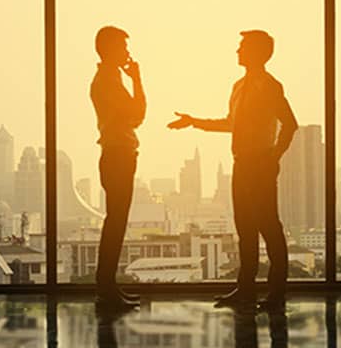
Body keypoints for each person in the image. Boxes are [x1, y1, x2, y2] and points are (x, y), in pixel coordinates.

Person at [168, 30, 297, 310]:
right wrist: (195, 122)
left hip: (260, 164)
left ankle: (276, 295)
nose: (237, 51)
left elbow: (290, 123)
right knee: (245, 229)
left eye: (242, 47)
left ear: (257, 52)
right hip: (241, 164)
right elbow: (230, 123)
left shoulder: (270, 86)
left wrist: (274, 157)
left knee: (269, 229)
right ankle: (246, 290)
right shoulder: (239, 86)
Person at [91, 26, 145, 308]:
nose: (127, 52)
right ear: (110, 50)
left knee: (116, 222)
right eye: (123, 47)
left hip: (116, 155)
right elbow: (138, 114)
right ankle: (106, 290)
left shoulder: (109, 79)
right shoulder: (108, 82)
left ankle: (108, 288)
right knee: (116, 223)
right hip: (118, 156)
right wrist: (137, 79)